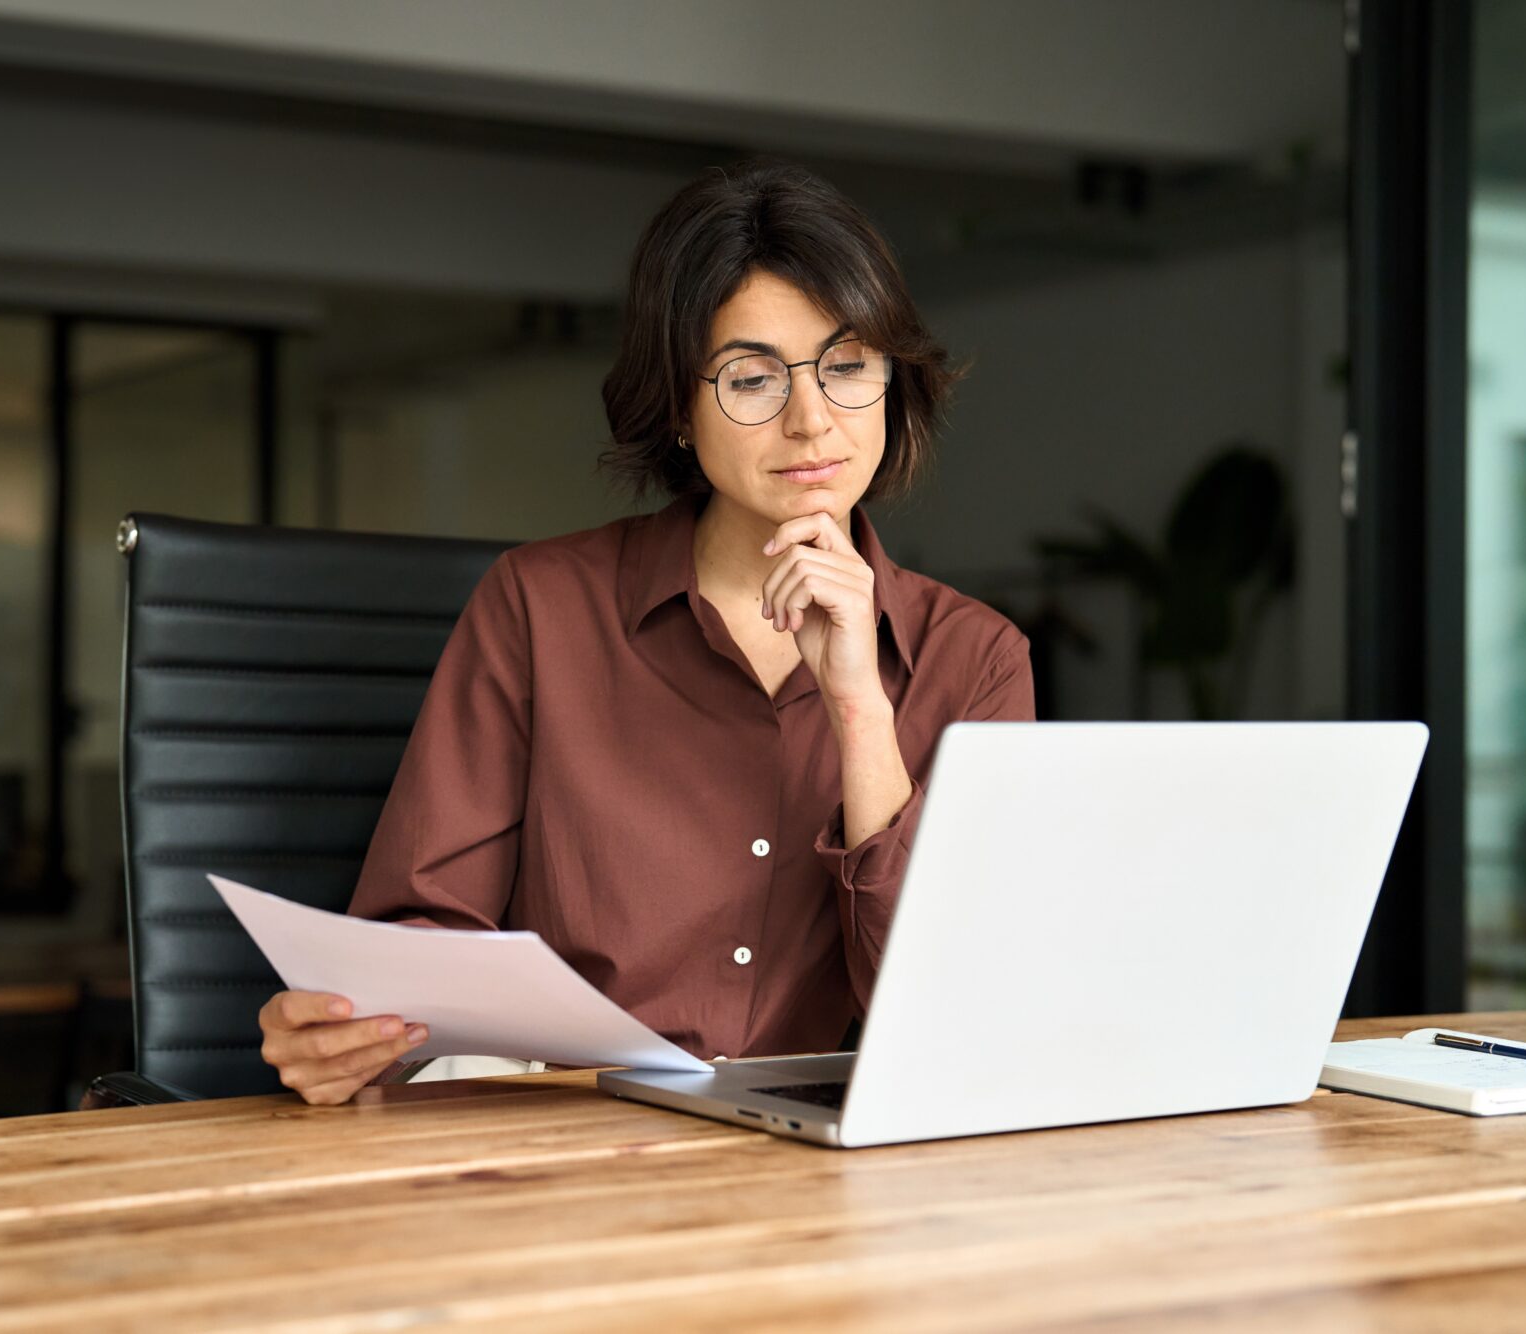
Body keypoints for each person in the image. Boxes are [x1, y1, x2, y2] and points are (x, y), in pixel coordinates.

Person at [259, 157, 1034, 1104]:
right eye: (752, 378)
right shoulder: (539, 608)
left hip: (821, 1169)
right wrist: (357, 1029)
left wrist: (860, 709)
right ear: (677, 405)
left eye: (847, 368)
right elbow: (427, 930)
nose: (811, 420)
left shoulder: (978, 659)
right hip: (565, 1149)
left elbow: (959, 1012)